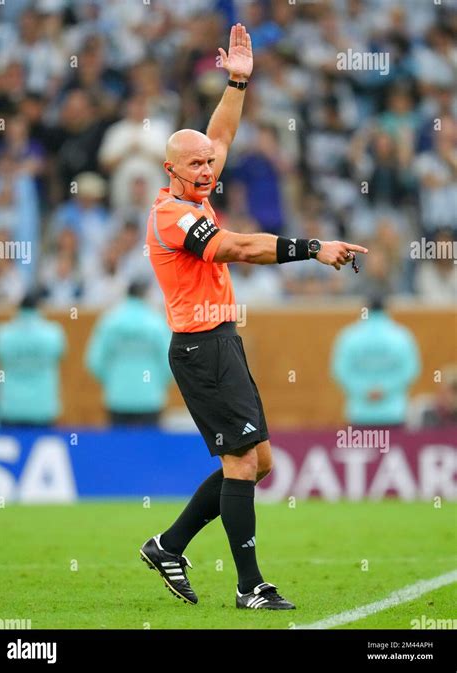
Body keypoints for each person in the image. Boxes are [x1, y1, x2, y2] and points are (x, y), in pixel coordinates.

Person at [141, 23, 367, 611]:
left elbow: (217, 136)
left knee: (258, 462)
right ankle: (250, 588)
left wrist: (238, 80)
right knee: (241, 462)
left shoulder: (195, 190)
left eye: (208, 163)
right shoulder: (172, 216)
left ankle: (167, 545)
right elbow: (238, 248)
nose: (206, 169)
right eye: (193, 164)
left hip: (221, 340)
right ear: (171, 171)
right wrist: (312, 248)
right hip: (200, 347)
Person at [85, 280, 171, 427]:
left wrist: (112, 380)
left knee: (119, 448)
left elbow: (94, 361)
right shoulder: (156, 321)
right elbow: (170, 361)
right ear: (145, 295)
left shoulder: (110, 321)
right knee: (148, 448)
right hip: (150, 397)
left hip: (118, 398)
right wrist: (158, 383)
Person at [331, 295, 421, 427]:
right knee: (392, 448)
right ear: (387, 309)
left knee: (363, 448)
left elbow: (340, 371)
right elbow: (410, 370)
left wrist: (364, 390)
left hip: (359, 412)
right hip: (394, 412)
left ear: (364, 308)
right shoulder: (401, 335)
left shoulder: (349, 336)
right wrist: (385, 389)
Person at [0, 290, 66, 427]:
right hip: (42, 406)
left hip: (10, 405)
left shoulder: (3, 334)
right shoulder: (53, 334)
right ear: (38, 308)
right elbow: (60, 356)